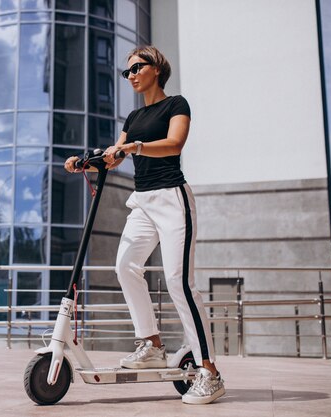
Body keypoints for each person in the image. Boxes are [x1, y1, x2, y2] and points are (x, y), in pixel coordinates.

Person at [64, 46, 225, 405]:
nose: (131, 74)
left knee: (177, 281)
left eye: (137, 67)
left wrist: (135, 147)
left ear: (157, 68)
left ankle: (210, 372)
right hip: (143, 202)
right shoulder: (133, 117)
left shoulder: (176, 104)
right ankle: (151, 344)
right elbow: (113, 157)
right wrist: (83, 163)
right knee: (124, 266)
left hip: (172, 199)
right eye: (127, 71)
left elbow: (173, 144)